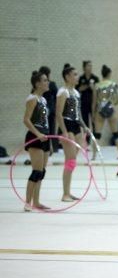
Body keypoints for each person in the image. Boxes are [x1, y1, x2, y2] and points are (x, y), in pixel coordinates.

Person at [56, 64, 89, 201]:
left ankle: (68, 192)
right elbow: (58, 113)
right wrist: (64, 131)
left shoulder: (76, 93)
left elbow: (78, 113)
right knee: (70, 160)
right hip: (67, 126)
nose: (77, 77)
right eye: (75, 74)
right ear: (67, 77)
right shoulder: (62, 92)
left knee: (72, 161)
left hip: (76, 126)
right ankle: (65, 194)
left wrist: (85, 126)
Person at [22, 71, 52, 211]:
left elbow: (45, 121)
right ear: (37, 83)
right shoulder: (32, 98)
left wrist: (47, 139)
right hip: (35, 137)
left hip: (44, 137)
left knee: (42, 172)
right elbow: (26, 120)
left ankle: (37, 202)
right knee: (36, 171)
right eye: (45, 80)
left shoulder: (43, 99)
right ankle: (27, 202)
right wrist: (38, 134)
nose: (48, 82)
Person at [93, 64, 118, 159]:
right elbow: (117, 100)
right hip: (110, 108)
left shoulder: (97, 85)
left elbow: (94, 102)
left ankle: (94, 156)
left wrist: (93, 113)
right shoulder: (113, 85)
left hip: (100, 109)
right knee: (116, 133)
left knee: (97, 134)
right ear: (109, 74)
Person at [39, 66, 60, 154]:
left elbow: (56, 95)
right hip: (48, 109)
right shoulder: (51, 84)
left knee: (45, 128)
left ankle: (49, 146)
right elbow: (56, 96)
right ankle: (50, 146)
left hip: (47, 109)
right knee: (50, 128)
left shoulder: (49, 84)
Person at [77, 60, 98, 134]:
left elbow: (98, 91)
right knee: (85, 122)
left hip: (93, 103)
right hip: (84, 102)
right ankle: (86, 141)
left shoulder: (95, 78)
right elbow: (78, 89)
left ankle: (95, 139)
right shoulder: (81, 78)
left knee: (94, 121)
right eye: (88, 65)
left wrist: (93, 88)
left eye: (91, 66)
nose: (90, 67)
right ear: (84, 67)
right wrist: (85, 87)